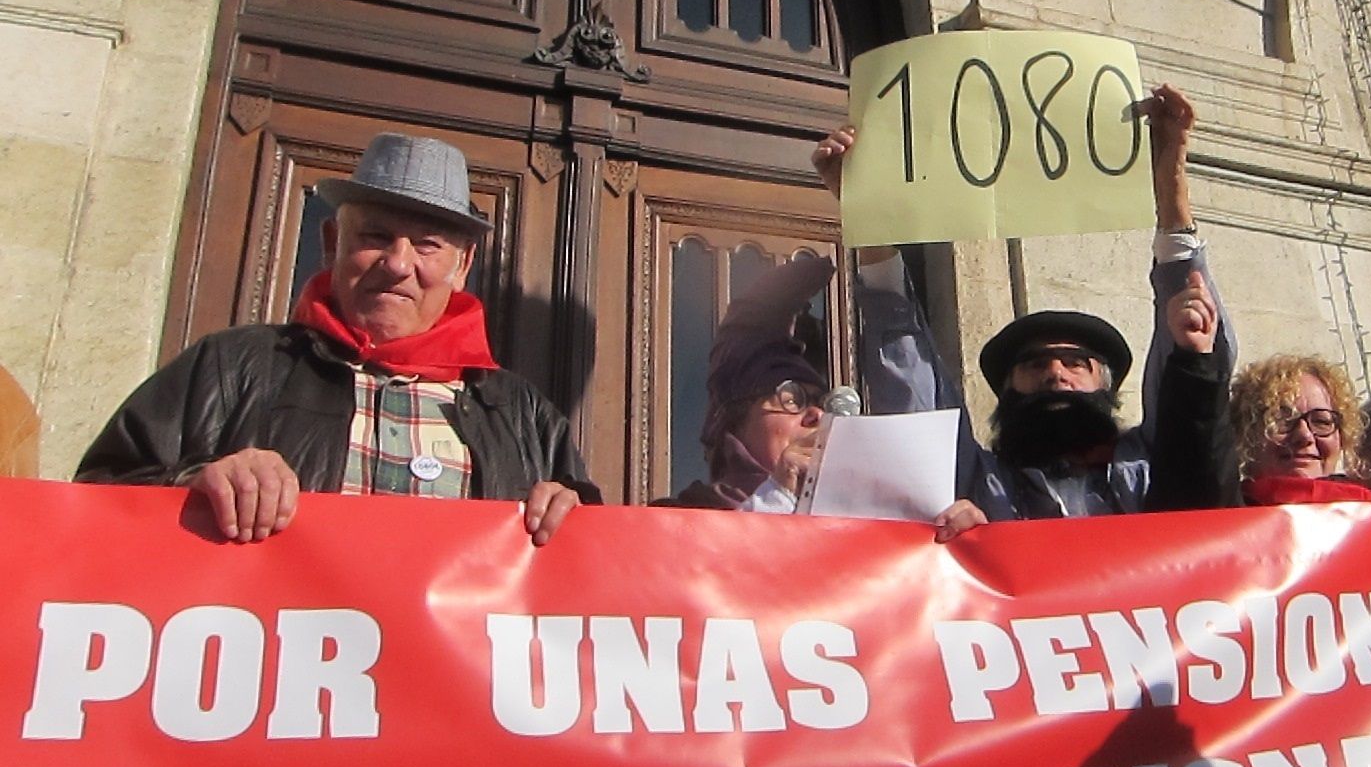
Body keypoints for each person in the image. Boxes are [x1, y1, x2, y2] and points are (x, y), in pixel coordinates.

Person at [76, 133, 599, 544]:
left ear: (461, 266)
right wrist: (193, 483)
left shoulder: (523, 412)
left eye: (427, 245)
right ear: (332, 243)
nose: (398, 264)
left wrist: (573, 524)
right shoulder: (230, 366)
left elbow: (591, 574)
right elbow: (91, 501)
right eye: (374, 237)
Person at [813, 82, 1236, 520]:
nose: (1055, 374)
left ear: (1106, 387)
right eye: (1034, 365)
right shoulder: (979, 486)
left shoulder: (1148, 469)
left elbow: (1195, 366)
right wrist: (869, 217)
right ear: (1006, 392)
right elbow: (911, 392)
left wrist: (1171, 183)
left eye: (1076, 363)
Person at [672, 252, 984, 540]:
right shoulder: (674, 526)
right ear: (733, 423)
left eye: (822, 402)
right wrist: (778, 495)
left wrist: (958, 548)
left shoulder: (876, 526)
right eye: (792, 398)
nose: (818, 415)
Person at [1230, 354, 1371, 504]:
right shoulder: (1219, 513)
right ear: (1244, 435)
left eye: (1321, 422)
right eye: (1281, 420)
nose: (1305, 436)